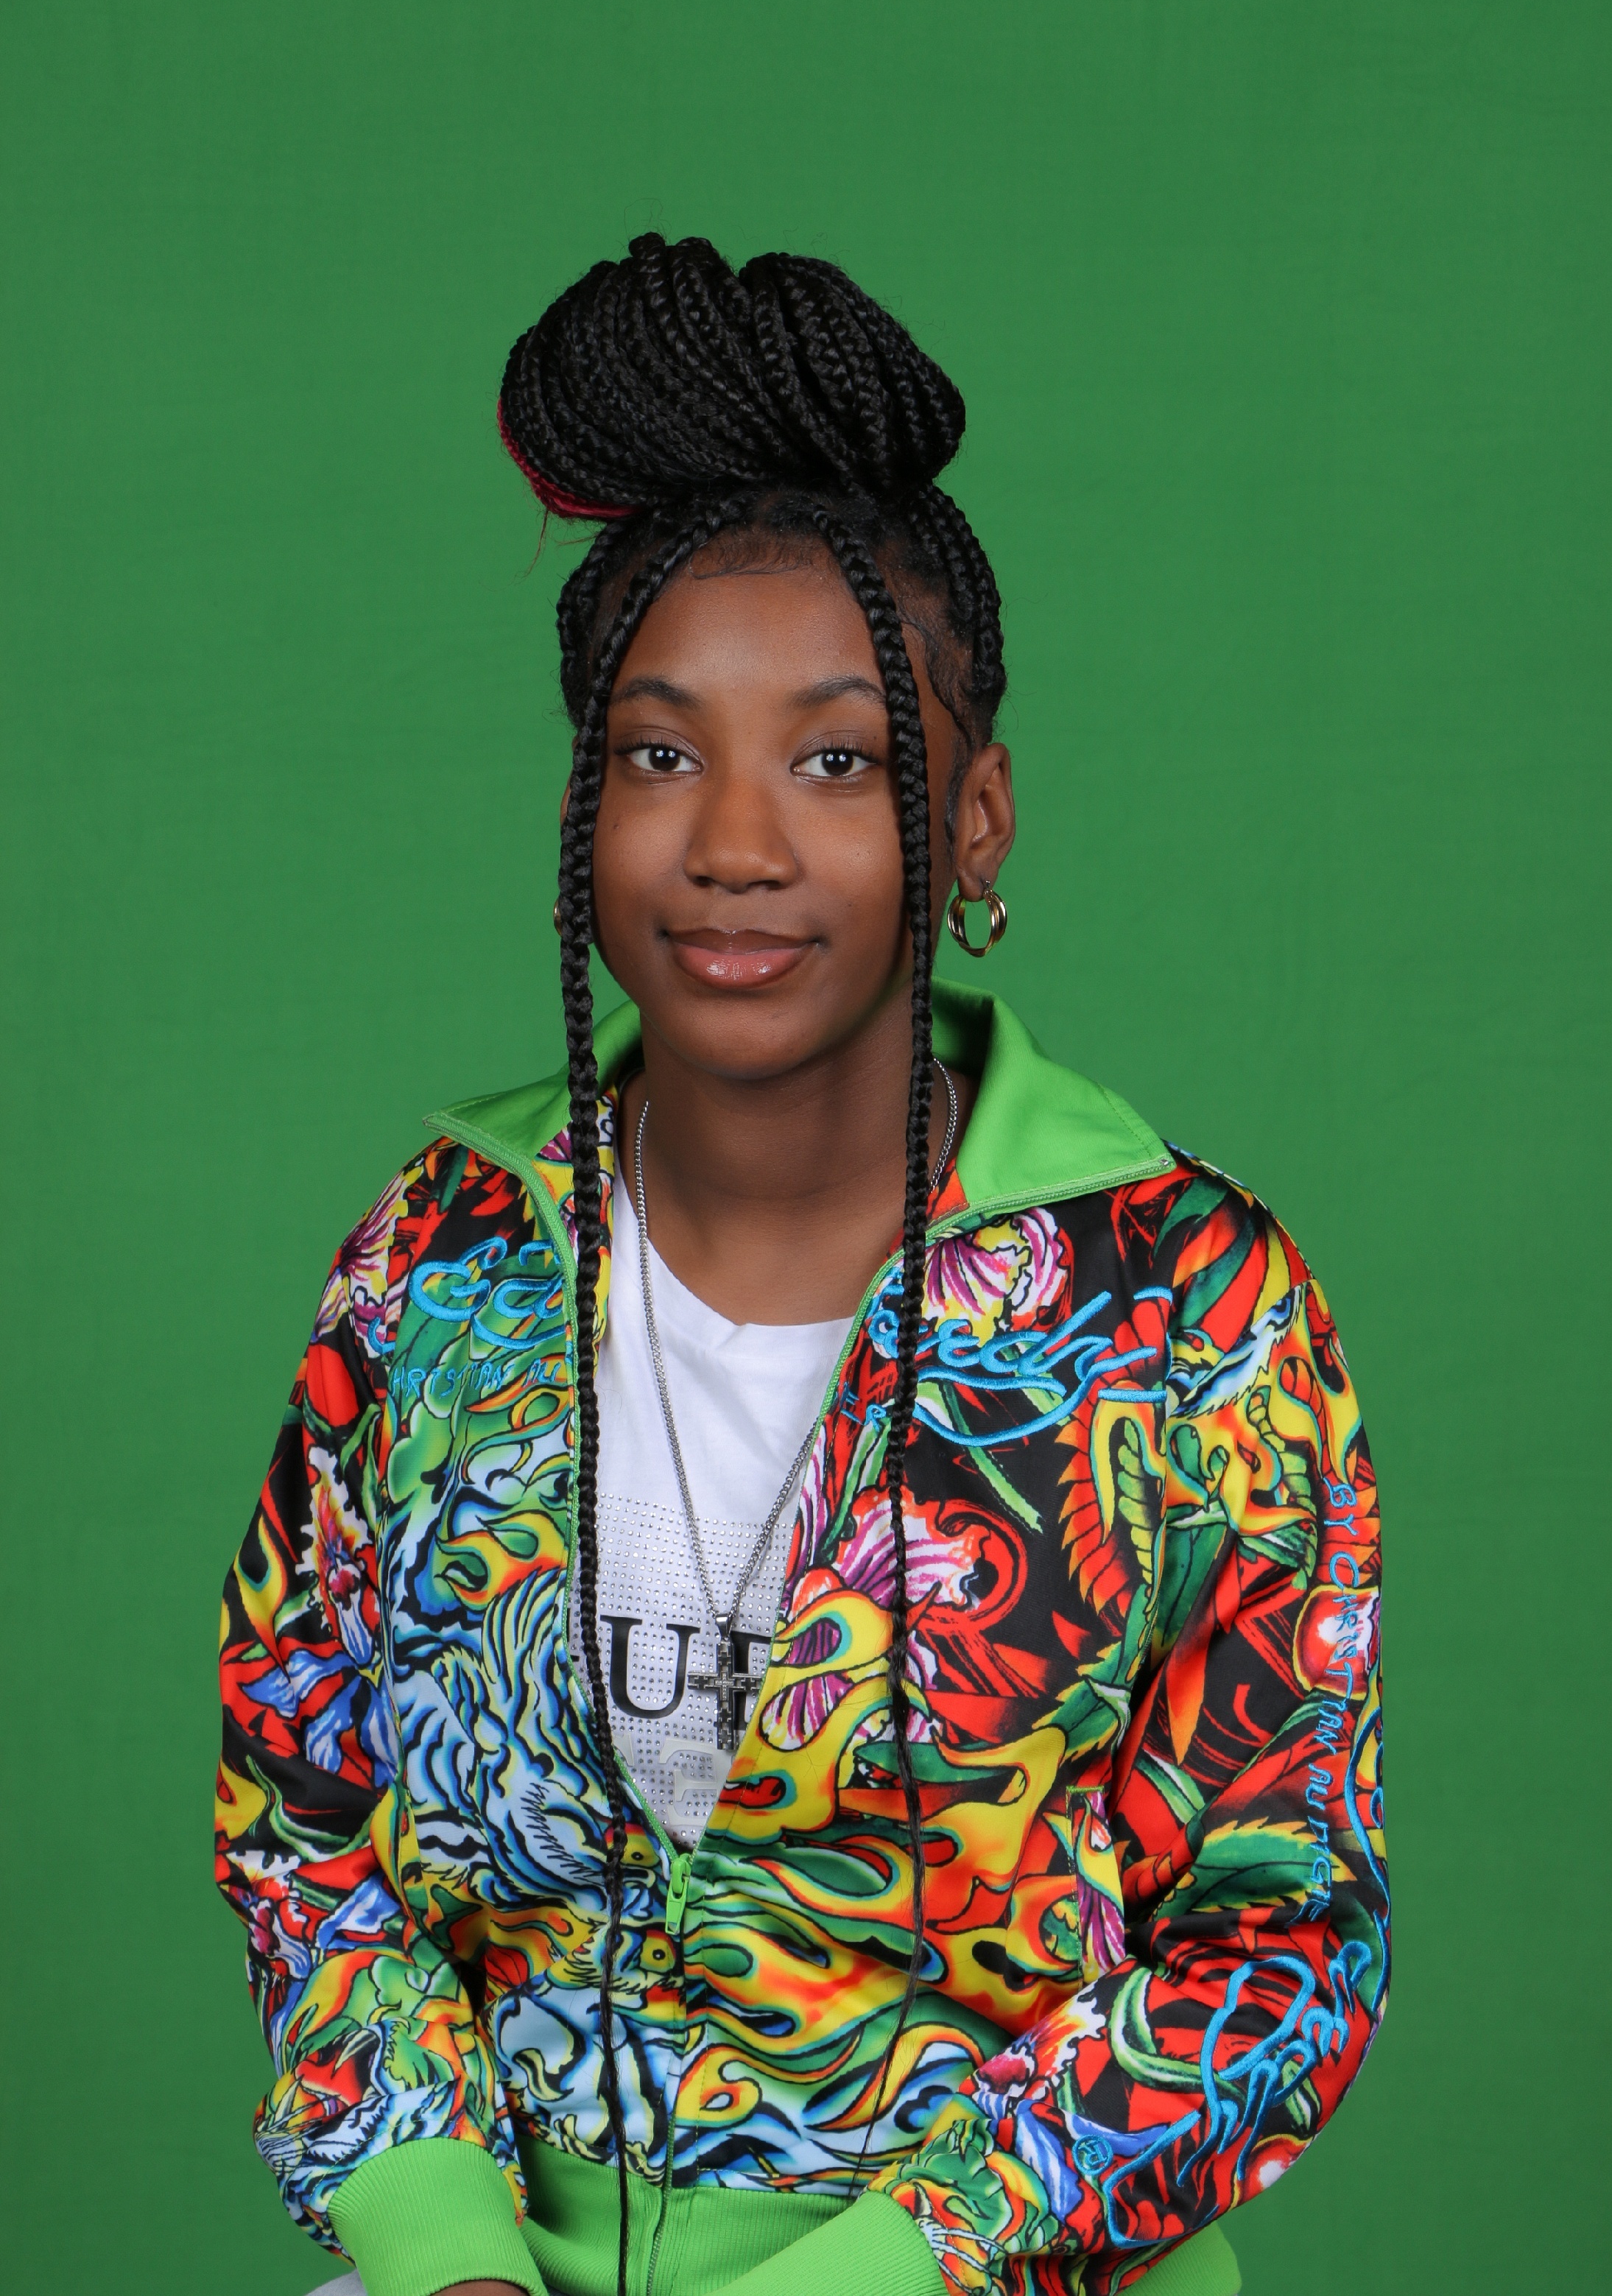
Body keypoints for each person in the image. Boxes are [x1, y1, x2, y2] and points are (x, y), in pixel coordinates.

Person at [216, 235, 1387, 2296]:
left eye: (836, 760)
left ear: (979, 818)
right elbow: (306, 1820)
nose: (734, 844)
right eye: (660, 754)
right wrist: (451, 2256)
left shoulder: (1185, 1307)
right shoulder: (439, 1260)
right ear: (584, 807)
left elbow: (1277, 1940)